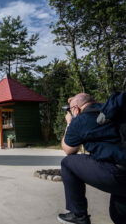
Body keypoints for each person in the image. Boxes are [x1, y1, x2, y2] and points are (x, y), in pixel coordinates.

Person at [58, 93, 126, 224]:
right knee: (118, 215)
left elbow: (68, 150)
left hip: (117, 173)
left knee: (67, 163)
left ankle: (79, 215)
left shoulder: (80, 120)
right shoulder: (113, 110)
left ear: (75, 109)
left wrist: (69, 123)